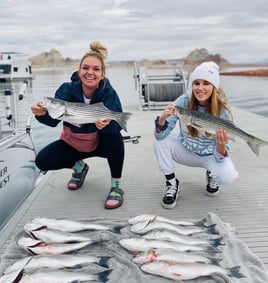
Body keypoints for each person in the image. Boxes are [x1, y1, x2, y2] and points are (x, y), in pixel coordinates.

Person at [31, 41, 125, 209]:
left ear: (103, 74)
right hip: (73, 144)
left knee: (116, 139)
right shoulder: (66, 90)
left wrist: (105, 126)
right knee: (42, 161)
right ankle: (79, 167)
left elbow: (116, 127)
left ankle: (116, 188)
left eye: (96, 69)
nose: (90, 72)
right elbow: (53, 121)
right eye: (86, 68)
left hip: (98, 144)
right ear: (79, 71)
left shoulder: (109, 93)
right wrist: (42, 114)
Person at [153, 61, 239, 209]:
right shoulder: (183, 102)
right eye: (196, 83)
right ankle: (172, 183)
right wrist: (162, 119)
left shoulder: (222, 111)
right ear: (191, 85)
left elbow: (221, 156)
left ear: (214, 87)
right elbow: (160, 136)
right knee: (159, 142)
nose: (200, 88)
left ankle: (212, 175)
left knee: (229, 177)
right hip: (186, 151)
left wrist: (221, 143)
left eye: (206, 83)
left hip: (210, 156)